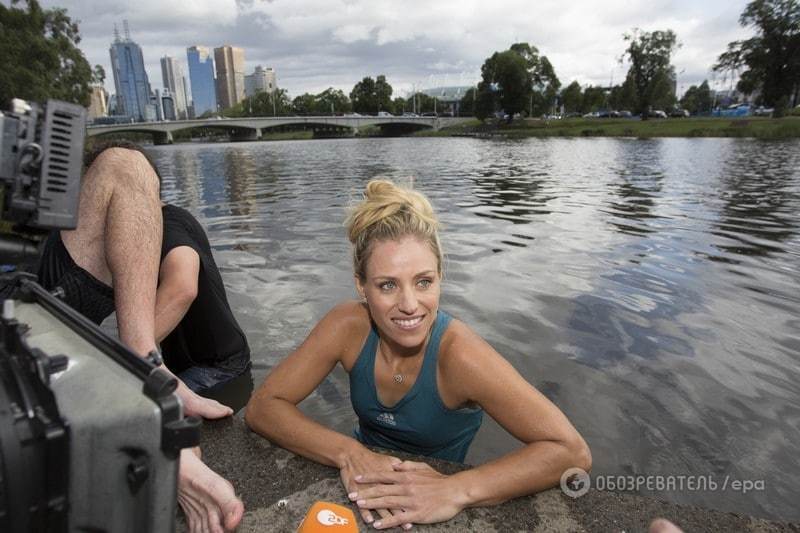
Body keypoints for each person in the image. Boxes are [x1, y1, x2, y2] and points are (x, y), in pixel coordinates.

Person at [245, 179, 592, 529]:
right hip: (361, 478)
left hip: (434, 494)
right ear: (360, 286)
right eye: (387, 285)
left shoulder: (461, 357)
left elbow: (570, 450)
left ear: (441, 277)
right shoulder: (346, 327)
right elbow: (263, 406)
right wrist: (349, 454)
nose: (410, 305)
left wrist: (457, 489)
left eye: (423, 282)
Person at [37, 143, 244, 532]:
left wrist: (125, 361)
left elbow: (183, 285)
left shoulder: (170, 223)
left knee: (122, 165)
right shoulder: (147, 222)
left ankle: (149, 384)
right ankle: (169, 440)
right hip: (192, 362)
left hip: (215, 365)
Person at [157, 199, 251, 394]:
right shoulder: (175, 217)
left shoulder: (165, 226)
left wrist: (127, 352)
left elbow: (183, 288)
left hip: (216, 367)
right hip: (213, 360)